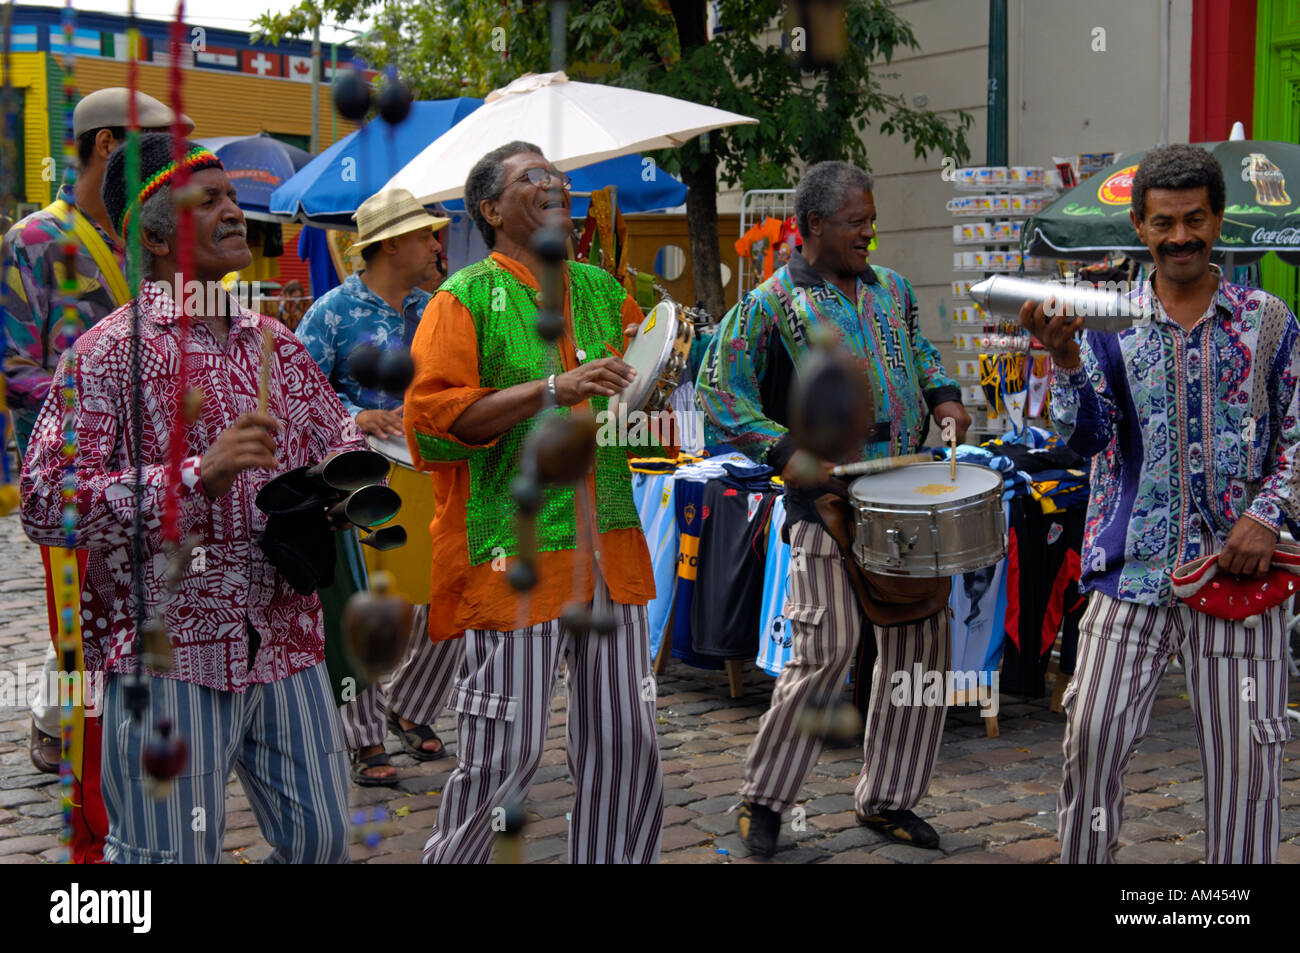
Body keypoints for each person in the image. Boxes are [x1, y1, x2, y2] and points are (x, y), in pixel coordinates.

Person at [20, 133, 366, 863]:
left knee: (322, 841)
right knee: (165, 859)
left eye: (233, 197)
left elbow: (333, 440)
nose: (234, 212)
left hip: (285, 641)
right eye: (208, 199)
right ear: (153, 227)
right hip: (168, 656)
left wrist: (347, 471)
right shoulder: (107, 353)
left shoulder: (278, 345)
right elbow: (46, 500)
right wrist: (189, 478)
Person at [1022, 144, 1299, 864]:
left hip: (1242, 580)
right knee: (1091, 736)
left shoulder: (1268, 321)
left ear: (1219, 219)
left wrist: (1266, 514)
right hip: (1130, 576)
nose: (1181, 236)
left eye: (1196, 219)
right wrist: (1069, 363)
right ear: (1140, 227)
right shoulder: (1106, 323)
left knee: (1248, 764)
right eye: (1165, 222)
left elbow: (1299, 433)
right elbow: (1088, 437)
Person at [696, 160, 971, 857]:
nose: (869, 234)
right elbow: (719, 390)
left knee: (919, 649)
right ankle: (766, 798)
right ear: (814, 224)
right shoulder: (770, 302)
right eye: (857, 222)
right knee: (824, 650)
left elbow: (922, 356)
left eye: (871, 221)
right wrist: (784, 451)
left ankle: (889, 798)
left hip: (907, 495)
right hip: (826, 501)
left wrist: (944, 395)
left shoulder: (894, 290)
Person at [406, 141, 664, 864]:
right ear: (489, 209)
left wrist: (657, 381)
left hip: (608, 546)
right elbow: (434, 421)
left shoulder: (603, 289)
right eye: (533, 178)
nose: (555, 183)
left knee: (626, 740)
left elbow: (638, 381)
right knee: (503, 748)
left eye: (557, 173)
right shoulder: (462, 299)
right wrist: (554, 389)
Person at [0, 88, 190, 862]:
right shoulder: (35, 240)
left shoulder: (152, 239)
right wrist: (107, 396)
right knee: (82, 650)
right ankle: (93, 821)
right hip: (77, 488)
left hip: (156, 488)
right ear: (110, 144)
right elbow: (14, 367)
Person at [295, 188, 463, 785]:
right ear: (390, 244)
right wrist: (355, 416)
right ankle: (364, 738)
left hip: (433, 471)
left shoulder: (437, 309)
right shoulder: (332, 313)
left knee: (449, 595)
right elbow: (297, 396)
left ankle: (410, 705)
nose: (436, 243)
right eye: (425, 234)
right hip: (360, 480)